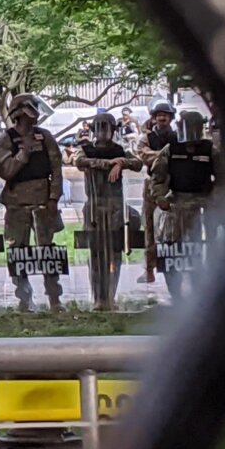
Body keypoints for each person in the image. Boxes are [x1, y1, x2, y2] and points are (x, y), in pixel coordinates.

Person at [0, 94, 65, 312]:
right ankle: (25, 299)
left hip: (43, 202)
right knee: (18, 253)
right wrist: (23, 152)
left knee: (48, 253)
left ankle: (54, 298)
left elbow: (56, 169)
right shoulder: (7, 139)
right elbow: (5, 171)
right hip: (17, 204)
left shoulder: (46, 137)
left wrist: (53, 197)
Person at [73, 111, 141, 310]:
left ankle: (110, 296)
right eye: (99, 127)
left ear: (113, 130)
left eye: (107, 127)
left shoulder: (120, 149)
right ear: (94, 130)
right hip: (94, 205)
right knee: (95, 255)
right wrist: (106, 163)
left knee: (114, 253)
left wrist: (121, 162)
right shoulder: (86, 149)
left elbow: (137, 163)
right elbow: (78, 162)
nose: (103, 132)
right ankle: (98, 298)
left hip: (115, 207)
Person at [148, 109, 215, 297]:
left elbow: (224, 178)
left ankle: (200, 292)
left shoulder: (209, 149)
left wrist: (214, 200)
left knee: (201, 248)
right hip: (176, 202)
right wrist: (160, 197)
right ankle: (176, 293)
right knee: (171, 250)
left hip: (202, 203)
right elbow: (157, 176)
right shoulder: (171, 149)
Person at [135, 101, 178, 284]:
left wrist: (159, 155)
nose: (162, 117)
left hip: (174, 183)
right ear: (154, 117)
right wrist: (168, 154)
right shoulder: (147, 137)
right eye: (159, 114)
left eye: (165, 114)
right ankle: (149, 269)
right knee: (149, 228)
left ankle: (174, 265)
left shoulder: (178, 136)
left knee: (176, 228)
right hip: (151, 184)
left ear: (171, 117)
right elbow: (143, 155)